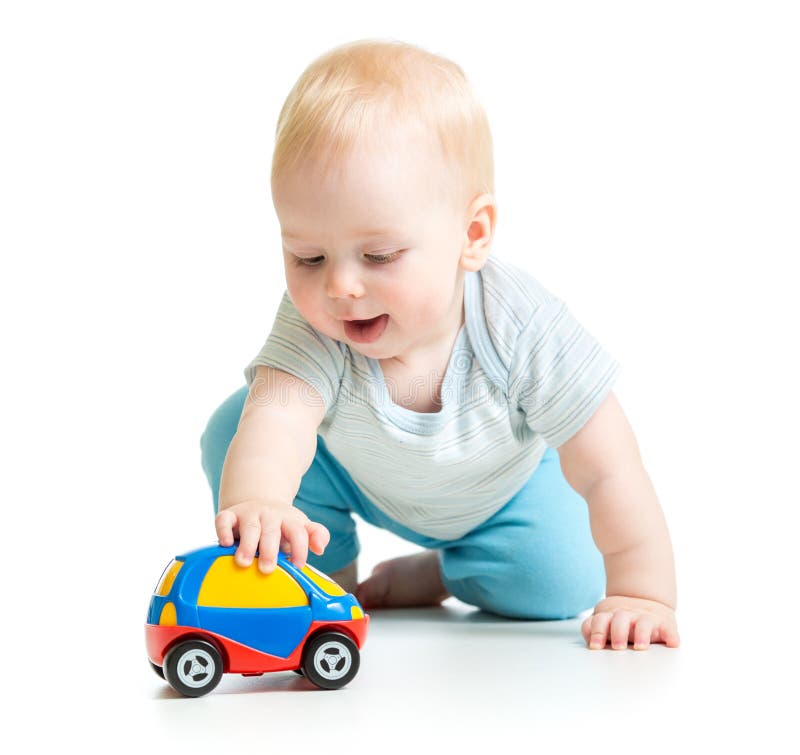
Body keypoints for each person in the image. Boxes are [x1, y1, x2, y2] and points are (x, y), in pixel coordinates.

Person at [200, 39, 679, 651]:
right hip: (352, 476)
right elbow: (277, 422)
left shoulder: (521, 327)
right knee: (236, 427)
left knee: (560, 579)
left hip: (498, 495)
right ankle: (319, 578)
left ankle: (446, 571)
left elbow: (612, 467)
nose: (341, 286)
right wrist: (260, 501)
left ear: (471, 235)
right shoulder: (313, 319)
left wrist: (643, 592)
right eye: (308, 256)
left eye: (379, 256)